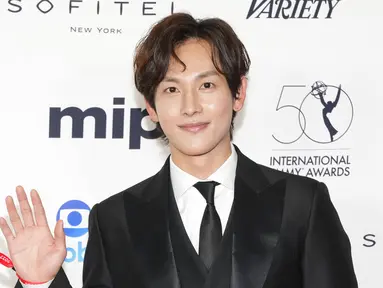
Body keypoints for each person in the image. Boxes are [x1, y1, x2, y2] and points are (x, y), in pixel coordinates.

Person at [0, 12, 358, 288]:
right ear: (151, 107)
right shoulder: (114, 221)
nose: (190, 107)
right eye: (171, 89)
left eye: (206, 85)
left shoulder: (302, 203)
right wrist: (41, 281)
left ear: (238, 93)